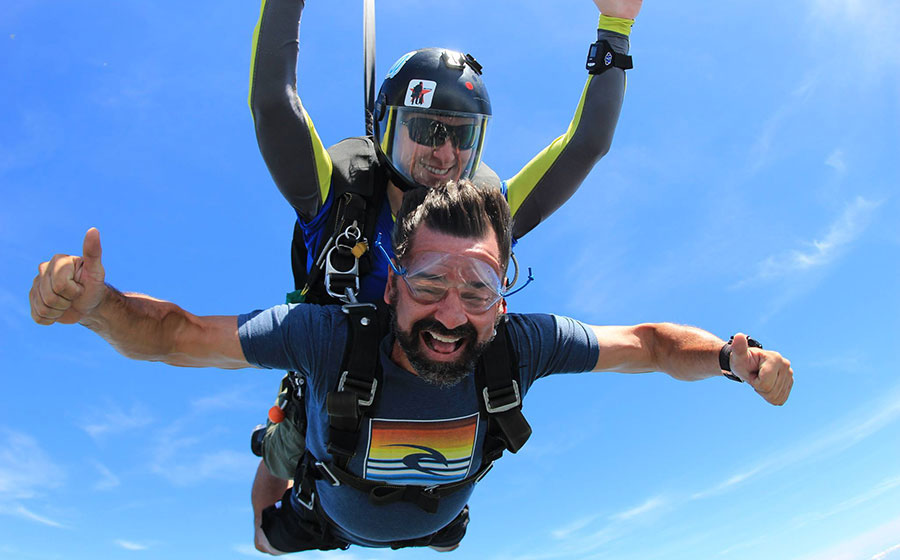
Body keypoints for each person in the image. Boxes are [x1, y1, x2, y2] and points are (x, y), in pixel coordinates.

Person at [29, 181, 794, 553]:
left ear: (504, 299)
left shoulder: (521, 346)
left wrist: (732, 359)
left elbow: (656, 345)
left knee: (436, 529)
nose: (452, 315)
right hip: (326, 513)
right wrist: (100, 305)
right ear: (391, 286)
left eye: (478, 288)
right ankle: (275, 452)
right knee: (267, 531)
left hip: (436, 519)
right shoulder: (328, 337)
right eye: (429, 285)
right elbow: (177, 334)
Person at [247, 0, 654, 536]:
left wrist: (616, 26)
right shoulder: (337, 201)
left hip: (436, 414)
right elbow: (273, 102)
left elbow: (586, 145)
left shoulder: (486, 217)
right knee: (269, 521)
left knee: (443, 536)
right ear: (385, 125)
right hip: (330, 397)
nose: (444, 154)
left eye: (461, 135)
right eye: (427, 129)